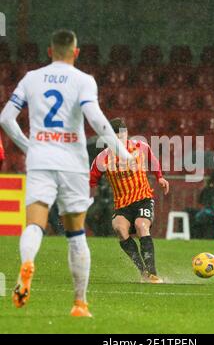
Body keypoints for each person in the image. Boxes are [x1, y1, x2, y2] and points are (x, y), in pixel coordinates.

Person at [0, 29, 131, 317]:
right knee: (75, 234)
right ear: (76, 52)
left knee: (34, 223)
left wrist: (27, 145)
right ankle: (79, 304)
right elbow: (95, 118)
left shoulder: (31, 78)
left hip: (40, 158)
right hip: (72, 161)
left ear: (50, 51)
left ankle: (27, 262)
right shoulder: (83, 80)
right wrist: (123, 153)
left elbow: (6, 118)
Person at [90, 118, 169, 283]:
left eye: (123, 135)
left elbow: (152, 160)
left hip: (143, 198)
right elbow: (91, 180)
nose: (121, 140)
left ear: (127, 134)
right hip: (122, 204)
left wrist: (160, 178)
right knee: (119, 228)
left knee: (141, 225)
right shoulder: (102, 158)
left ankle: (153, 273)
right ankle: (143, 272)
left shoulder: (141, 147)